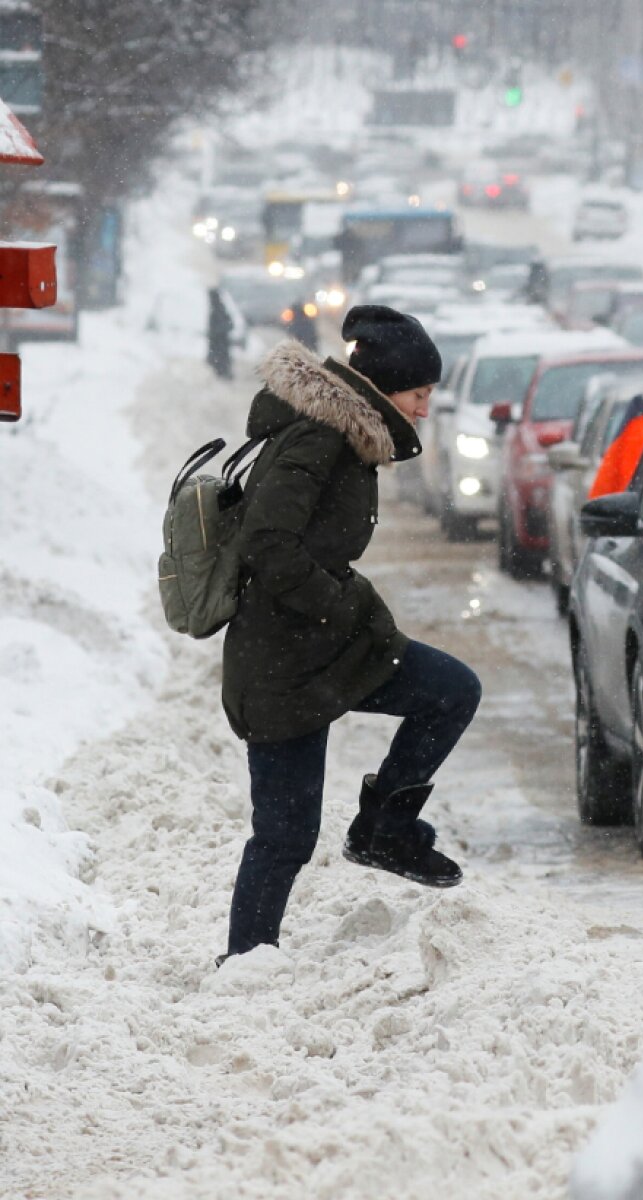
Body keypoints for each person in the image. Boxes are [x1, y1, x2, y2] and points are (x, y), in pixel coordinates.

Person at [219, 304, 482, 963]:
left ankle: (383, 829)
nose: (424, 409)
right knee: (284, 836)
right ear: (388, 387)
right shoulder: (318, 435)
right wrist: (337, 603)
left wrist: (338, 612)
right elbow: (267, 543)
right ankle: (246, 966)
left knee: (451, 690)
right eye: (420, 394)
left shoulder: (342, 434)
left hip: (329, 643)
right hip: (282, 657)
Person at [206, 287, 233, 380]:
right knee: (220, 358)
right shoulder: (218, 308)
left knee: (220, 359)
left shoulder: (218, 309)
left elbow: (227, 324)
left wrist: (217, 332)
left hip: (219, 341)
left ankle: (223, 373)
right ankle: (222, 372)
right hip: (219, 341)